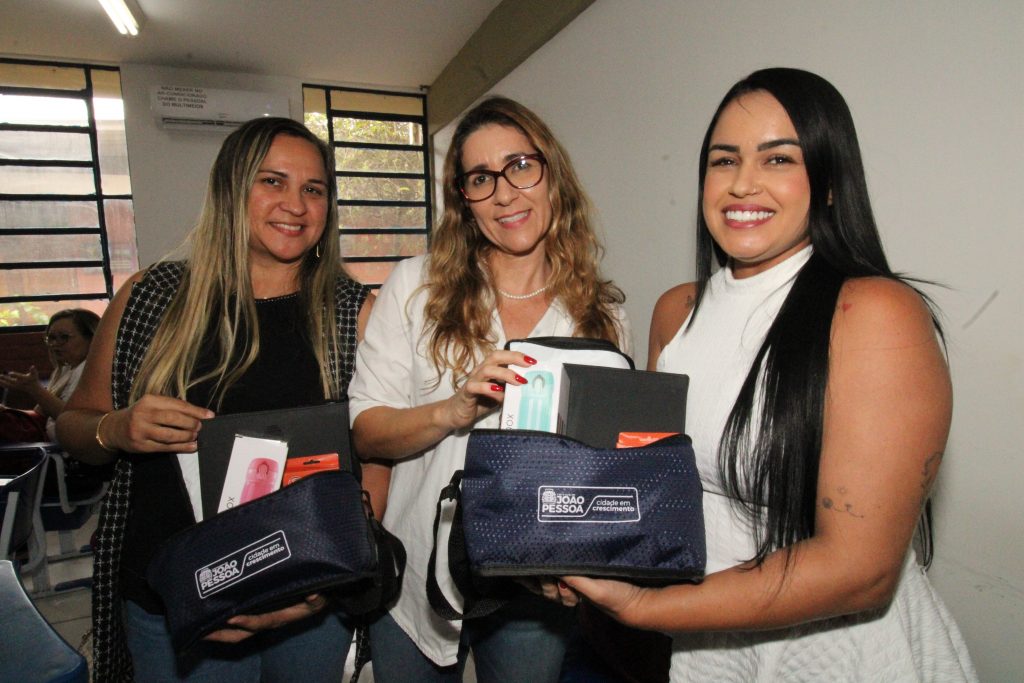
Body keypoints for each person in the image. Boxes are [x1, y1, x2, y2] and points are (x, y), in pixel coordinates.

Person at [554, 68, 977, 681]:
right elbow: (656, 487)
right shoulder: (677, 310)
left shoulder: (874, 312)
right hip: (704, 641)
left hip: (834, 654)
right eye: (724, 161)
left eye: (778, 159)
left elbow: (860, 571)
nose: (742, 183)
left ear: (828, 183)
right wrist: (575, 551)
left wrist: (645, 606)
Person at [57, 117, 386, 682]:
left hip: (307, 595)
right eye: (272, 181)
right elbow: (72, 425)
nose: (296, 205)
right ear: (231, 189)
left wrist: (334, 577)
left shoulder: (354, 313)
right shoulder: (151, 298)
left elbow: (376, 462)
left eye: (314, 189)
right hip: (177, 596)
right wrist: (117, 428)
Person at [348, 96, 631, 682]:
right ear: (464, 200)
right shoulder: (416, 287)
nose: (504, 193)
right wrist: (453, 410)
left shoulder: (600, 318)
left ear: (553, 175)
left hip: (536, 586)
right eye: (481, 178)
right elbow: (368, 432)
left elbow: (602, 471)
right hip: (417, 577)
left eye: (520, 166)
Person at [1, 308, 100, 443]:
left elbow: (77, 423)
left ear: (92, 338)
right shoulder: (65, 369)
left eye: (64, 337)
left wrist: (35, 390)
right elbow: (39, 415)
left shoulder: (94, 372)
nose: (54, 344)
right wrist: (7, 411)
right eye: (51, 338)